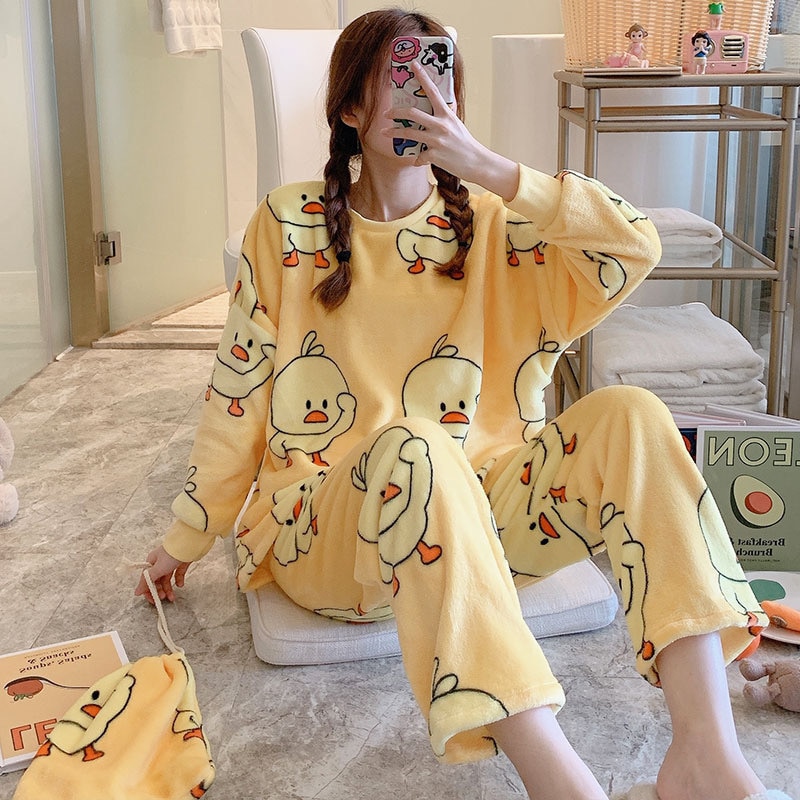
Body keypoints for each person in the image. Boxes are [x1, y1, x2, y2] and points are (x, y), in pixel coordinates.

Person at [135, 9, 779, 800]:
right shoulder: (287, 224)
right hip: (328, 536)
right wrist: (187, 537)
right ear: (350, 107)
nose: (422, 93)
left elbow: (634, 246)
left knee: (634, 415)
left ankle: (707, 761)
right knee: (418, 444)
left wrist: (491, 168)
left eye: (436, 74)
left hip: (479, 525)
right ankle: (561, 785)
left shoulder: (497, 224)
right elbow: (236, 396)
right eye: (399, 76)